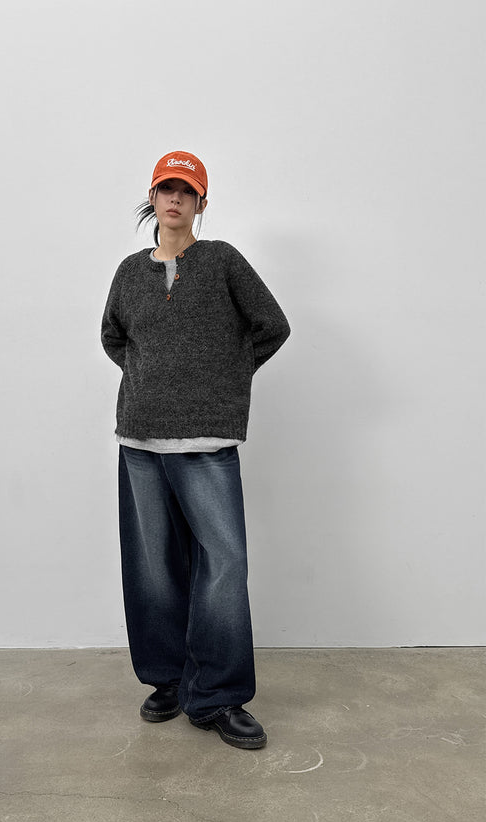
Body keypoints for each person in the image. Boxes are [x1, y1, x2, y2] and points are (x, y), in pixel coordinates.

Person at [101, 151, 290, 750]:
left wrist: (224, 380)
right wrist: (149, 382)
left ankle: (219, 695)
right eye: (166, 189)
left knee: (223, 563)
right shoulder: (130, 272)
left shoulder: (222, 260)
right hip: (140, 438)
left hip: (207, 439)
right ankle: (170, 681)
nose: (175, 199)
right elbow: (113, 337)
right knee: (153, 565)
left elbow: (273, 325)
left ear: (201, 202)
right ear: (152, 198)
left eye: (186, 190)